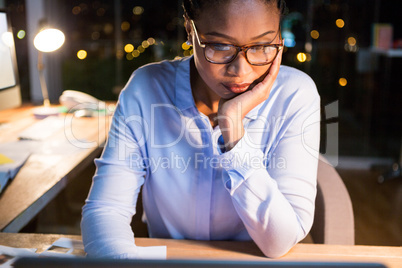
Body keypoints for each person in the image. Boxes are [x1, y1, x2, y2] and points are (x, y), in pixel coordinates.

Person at [81, 0, 321, 259]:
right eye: (219, 46)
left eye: (262, 46)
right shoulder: (146, 88)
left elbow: (279, 242)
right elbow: (106, 210)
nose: (241, 70)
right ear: (189, 30)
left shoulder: (294, 94)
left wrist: (234, 128)